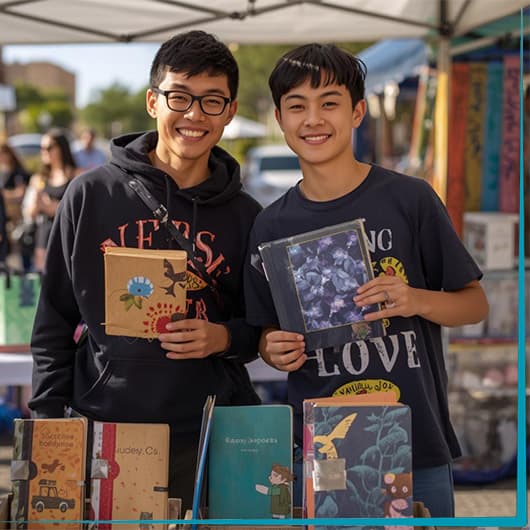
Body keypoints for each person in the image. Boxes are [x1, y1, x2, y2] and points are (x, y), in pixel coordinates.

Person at [244, 43, 489, 517]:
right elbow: (264, 335)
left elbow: (475, 305)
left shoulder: (409, 199)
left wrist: (414, 299)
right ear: (280, 118)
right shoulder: (270, 226)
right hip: (322, 449)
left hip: (417, 444)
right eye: (297, 106)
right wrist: (271, 347)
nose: (313, 119)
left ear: (357, 112)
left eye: (329, 103)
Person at [29, 30, 262, 511]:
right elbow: (53, 320)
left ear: (230, 112)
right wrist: (49, 426)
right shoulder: (90, 195)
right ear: (153, 101)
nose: (195, 115)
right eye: (180, 97)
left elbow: (260, 327)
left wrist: (222, 338)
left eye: (212, 101)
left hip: (207, 435)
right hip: (106, 429)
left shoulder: (246, 215)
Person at [22, 129, 77, 271]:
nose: (44, 152)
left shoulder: (76, 176)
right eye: (42, 148)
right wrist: (39, 201)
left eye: (49, 147)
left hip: (68, 236)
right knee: (44, 281)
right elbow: (31, 213)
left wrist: (51, 207)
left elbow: (77, 209)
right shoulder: (39, 178)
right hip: (44, 237)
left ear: (61, 148)